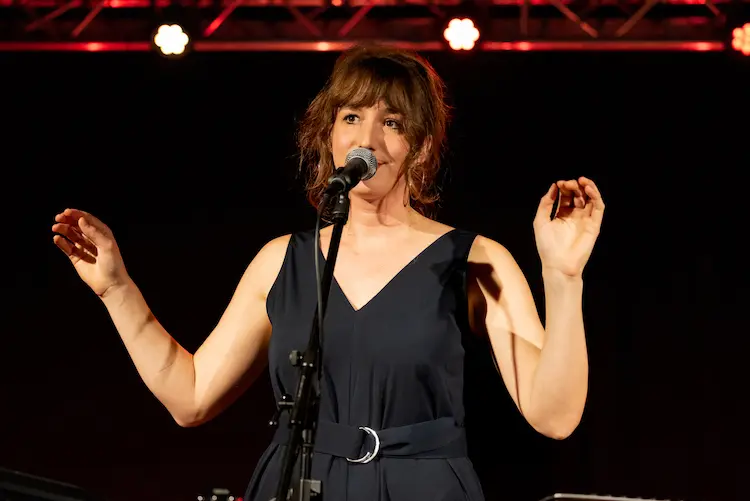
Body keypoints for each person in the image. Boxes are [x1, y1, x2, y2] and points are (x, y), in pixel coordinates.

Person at [51, 45, 604, 501]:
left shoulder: (476, 260)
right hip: (298, 483)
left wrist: (563, 276)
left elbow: (554, 416)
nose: (368, 140)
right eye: (352, 117)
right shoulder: (282, 261)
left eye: (392, 123)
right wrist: (117, 290)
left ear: (421, 147)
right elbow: (191, 397)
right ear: (329, 134)